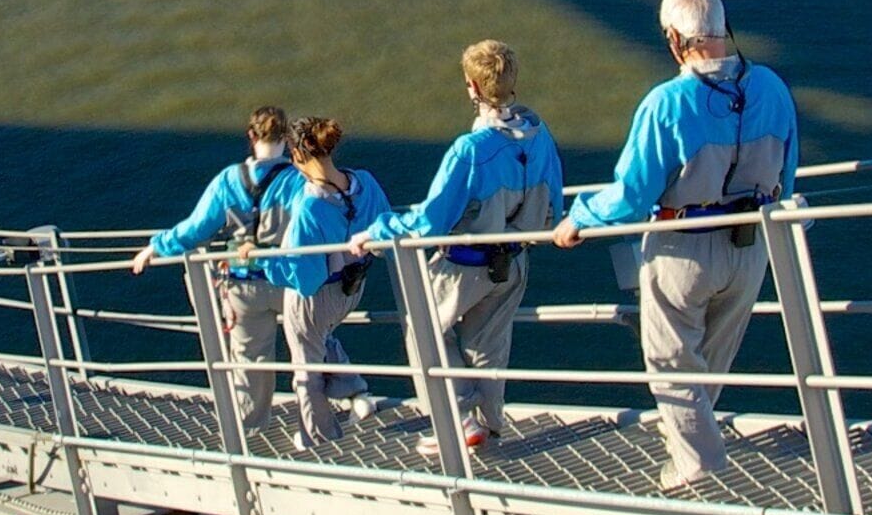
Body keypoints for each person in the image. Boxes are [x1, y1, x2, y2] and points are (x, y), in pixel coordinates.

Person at [553, 0, 800, 491]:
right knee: (711, 359)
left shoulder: (666, 103)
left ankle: (697, 466)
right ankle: (691, 446)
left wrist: (579, 218)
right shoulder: (772, 87)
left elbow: (630, 195)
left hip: (683, 246)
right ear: (723, 29)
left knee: (670, 362)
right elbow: (787, 173)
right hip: (751, 245)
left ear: (674, 38)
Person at [354, 40, 566, 451]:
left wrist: (377, 231)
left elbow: (431, 220)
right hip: (514, 263)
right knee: (489, 345)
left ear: (472, 86)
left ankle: (458, 420)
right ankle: (490, 425)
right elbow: (552, 206)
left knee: (425, 332)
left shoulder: (469, 151)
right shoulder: (540, 137)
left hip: (465, 265)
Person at [133, 107, 301, 421]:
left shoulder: (228, 180)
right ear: (287, 139)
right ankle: (316, 419)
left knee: (251, 357)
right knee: (307, 350)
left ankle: (250, 427)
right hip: (289, 278)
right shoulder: (296, 179)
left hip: (242, 282)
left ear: (251, 136)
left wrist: (155, 248)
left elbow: (196, 228)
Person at [272, 117, 393, 443]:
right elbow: (386, 234)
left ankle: (317, 437)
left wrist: (261, 263)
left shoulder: (311, 206)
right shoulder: (364, 183)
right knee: (320, 337)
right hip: (352, 289)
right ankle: (356, 394)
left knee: (305, 366)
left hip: (316, 298)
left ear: (297, 155)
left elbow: (305, 279)